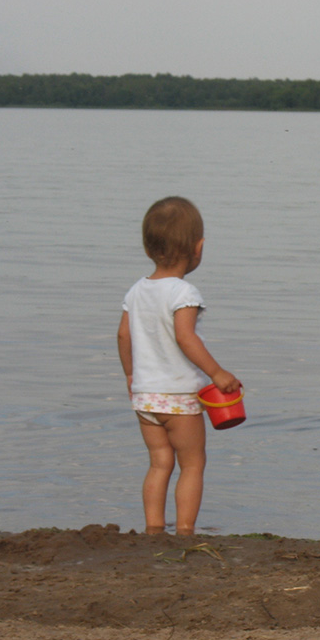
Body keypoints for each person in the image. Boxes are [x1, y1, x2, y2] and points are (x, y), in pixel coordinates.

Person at [117, 196, 240, 536]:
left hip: (145, 398)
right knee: (193, 464)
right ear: (198, 248)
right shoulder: (183, 292)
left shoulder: (136, 291)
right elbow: (186, 338)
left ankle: (153, 528)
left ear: (148, 248)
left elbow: (123, 336)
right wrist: (217, 373)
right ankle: (185, 530)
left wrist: (131, 373)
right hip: (180, 398)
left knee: (159, 463)